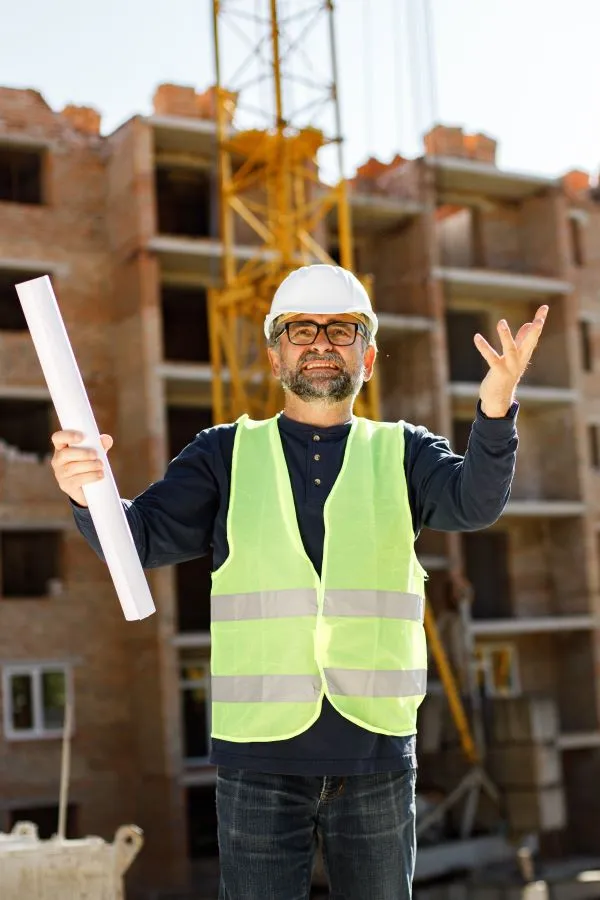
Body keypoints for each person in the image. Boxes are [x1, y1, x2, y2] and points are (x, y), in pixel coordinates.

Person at [50, 265, 548, 900]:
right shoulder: (222, 455)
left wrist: (497, 406)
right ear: (274, 352)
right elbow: (138, 540)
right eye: (300, 330)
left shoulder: (404, 452)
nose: (319, 343)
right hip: (258, 756)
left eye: (340, 331)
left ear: (367, 356)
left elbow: (475, 504)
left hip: (374, 751)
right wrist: (86, 494)